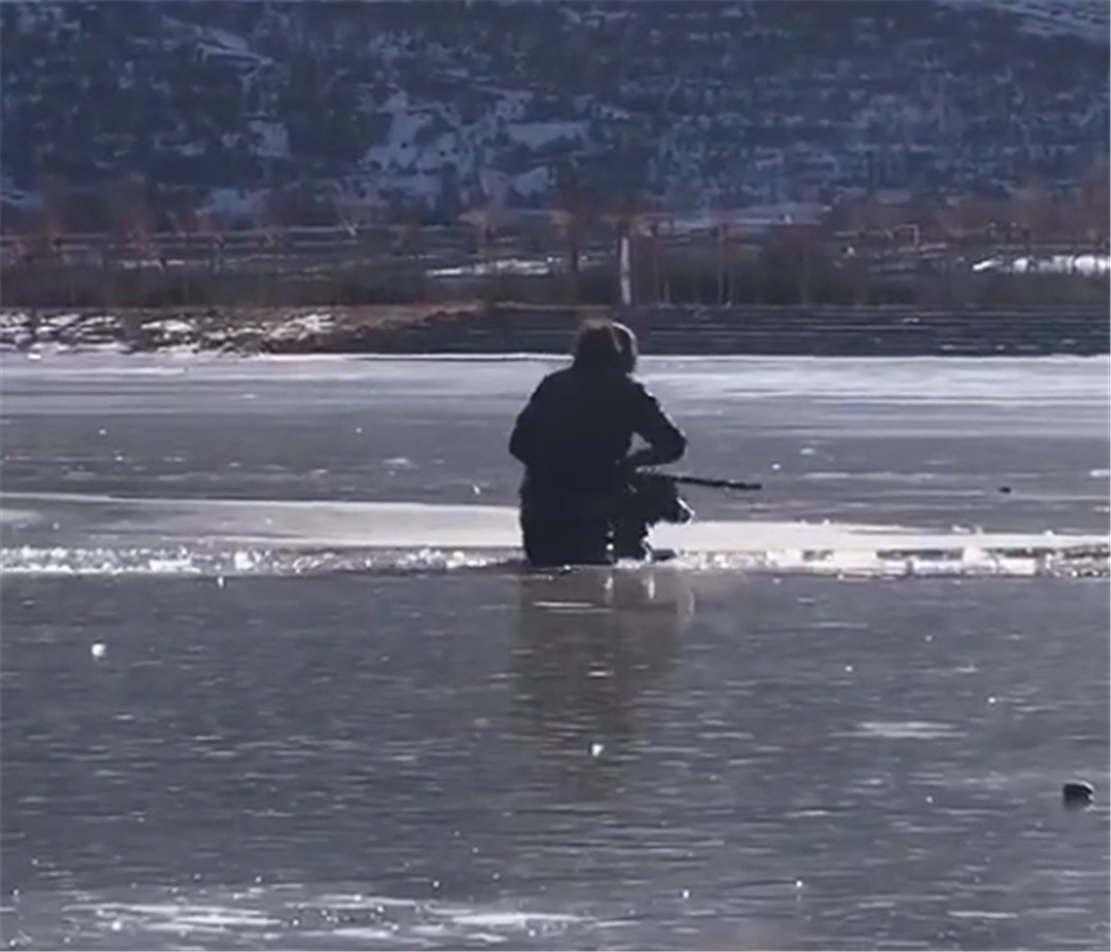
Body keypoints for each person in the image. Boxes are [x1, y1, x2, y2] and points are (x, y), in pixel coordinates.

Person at [508, 319, 688, 566]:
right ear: (622, 356)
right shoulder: (628, 393)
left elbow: (518, 444)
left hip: (539, 507)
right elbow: (673, 444)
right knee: (655, 490)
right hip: (594, 504)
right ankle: (632, 552)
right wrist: (630, 464)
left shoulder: (552, 386)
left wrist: (556, 468)